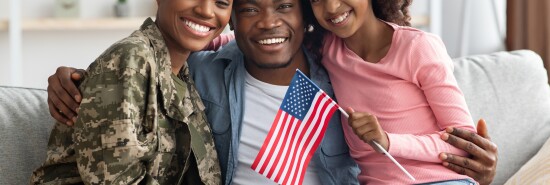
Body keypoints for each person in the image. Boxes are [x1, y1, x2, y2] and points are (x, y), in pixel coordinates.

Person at [45, 0, 497, 184]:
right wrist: (83, 77)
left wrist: (470, 169)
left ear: (307, 19)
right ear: (234, 21)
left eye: (285, 6)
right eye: (249, 9)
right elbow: (159, 62)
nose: (268, 22)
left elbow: (456, 144)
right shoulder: (207, 70)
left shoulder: (334, 73)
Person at [30, 0, 232, 184]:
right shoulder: (131, 59)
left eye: (222, 2)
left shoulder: (185, 74)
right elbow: (116, 178)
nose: (205, 10)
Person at [305, 0, 494, 184]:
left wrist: (388, 141)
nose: (331, 6)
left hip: (440, 180)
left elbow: (464, 145)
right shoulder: (326, 51)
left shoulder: (417, 47)